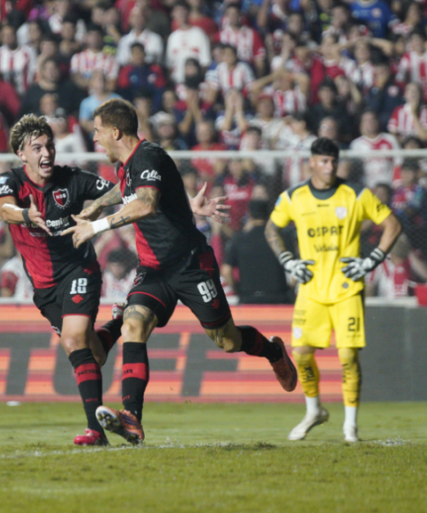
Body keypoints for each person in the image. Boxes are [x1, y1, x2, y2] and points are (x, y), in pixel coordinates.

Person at [62, 100, 294, 445]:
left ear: (114, 132)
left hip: (190, 266)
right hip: (154, 270)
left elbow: (147, 202)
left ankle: (273, 352)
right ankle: (132, 419)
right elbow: (129, 192)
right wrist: (98, 202)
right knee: (133, 323)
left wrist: (96, 225)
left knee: (227, 340)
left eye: (96, 132)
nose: (94, 139)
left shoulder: (148, 156)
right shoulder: (128, 165)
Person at [0, 114, 127, 446]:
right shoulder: (9, 181)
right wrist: (26, 214)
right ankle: (119, 325)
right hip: (44, 287)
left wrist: (98, 205)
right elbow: (4, 208)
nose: (47, 153)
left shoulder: (73, 179)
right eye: (36, 147)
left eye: (49, 145)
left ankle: (96, 431)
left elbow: (122, 190)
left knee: (73, 340)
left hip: (79, 269)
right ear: (21, 154)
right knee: (91, 353)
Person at [264, 137, 403, 443]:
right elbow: (271, 228)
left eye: (333, 161)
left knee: (348, 357)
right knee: (300, 355)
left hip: (346, 287)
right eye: (323, 161)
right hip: (311, 288)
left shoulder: (355, 194)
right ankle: (314, 410)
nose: (329, 167)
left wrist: (372, 260)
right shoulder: (294, 196)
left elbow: (392, 224)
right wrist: (287, 260)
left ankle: (350, 426)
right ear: (311, 162)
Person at [221, 199, 293, 304]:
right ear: (270, 214)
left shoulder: (240, 239)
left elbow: (226, 271)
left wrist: (238, 290)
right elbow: (294, 274)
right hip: (278, 298)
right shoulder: (281, 238)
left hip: (249, 298)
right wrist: (289, 290)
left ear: (250, 215)